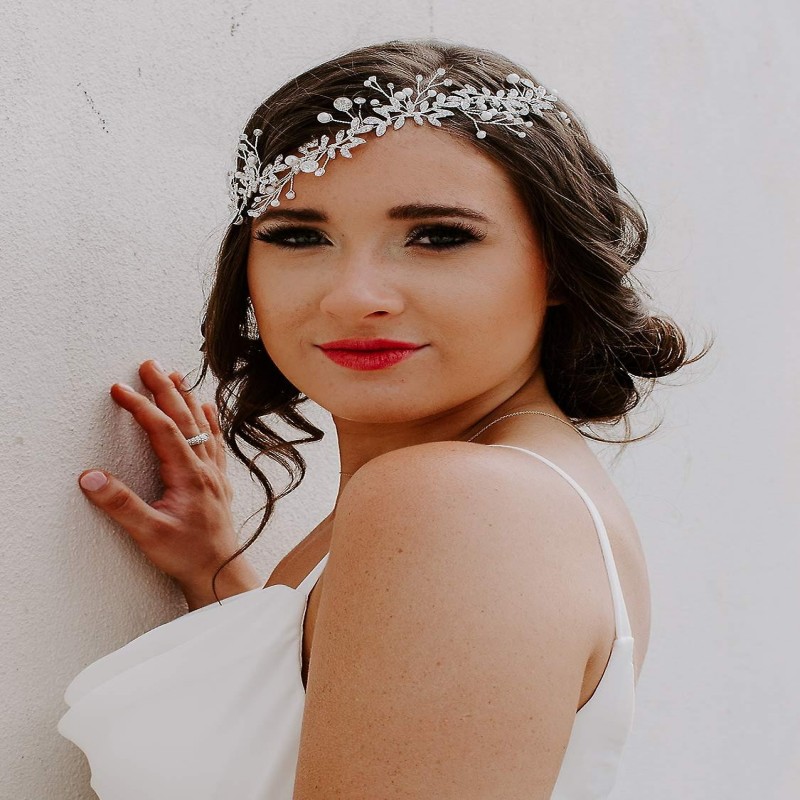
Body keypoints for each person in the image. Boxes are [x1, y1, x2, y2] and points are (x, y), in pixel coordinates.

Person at [58, 38, 710, 799]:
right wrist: (219, 575)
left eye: (438, 236)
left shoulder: (463, 501)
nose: (353, 296)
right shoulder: (471, 493)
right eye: (299, 236)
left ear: (559, 264)